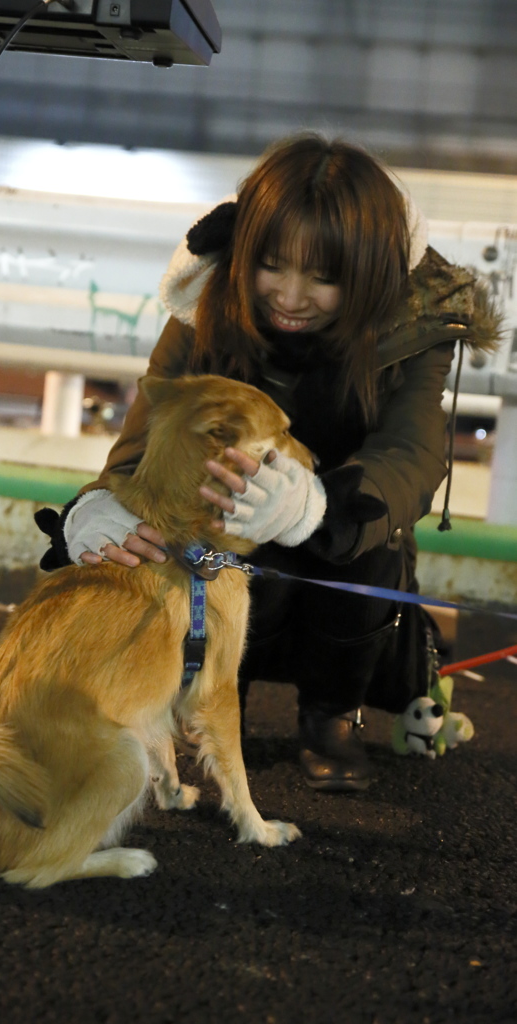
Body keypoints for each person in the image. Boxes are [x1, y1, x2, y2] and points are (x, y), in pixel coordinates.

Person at [36, 133, 499, 793]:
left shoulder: (414, 325)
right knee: (213, 546)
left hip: (346, 537)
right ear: (245, 250)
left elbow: (411, 452)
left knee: (371, 553)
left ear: (368, 274)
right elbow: (148, 436)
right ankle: (217, 707)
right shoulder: (204, 300)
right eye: (272, 266)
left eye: (324, 276)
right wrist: (97, 510)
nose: (290, 295)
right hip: (223, 534)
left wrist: (317, 507)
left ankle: (332, 717)